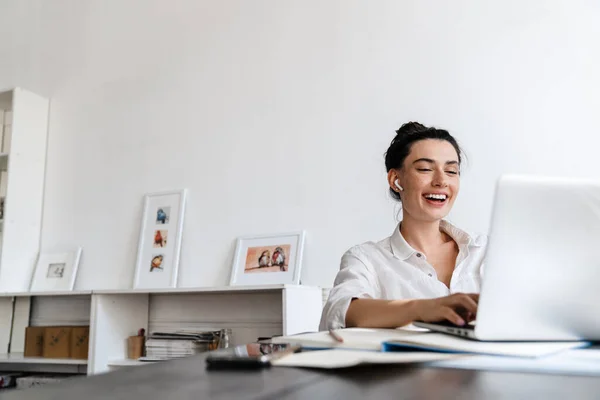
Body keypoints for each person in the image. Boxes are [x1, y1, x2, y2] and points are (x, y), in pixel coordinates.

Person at [319, 122, 487, 331]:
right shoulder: (367, 258)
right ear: (396, 180)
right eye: (425, 169)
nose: (441, 181)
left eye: (451, 171)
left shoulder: (486, 251)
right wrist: (423, 309)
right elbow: (342, 312)